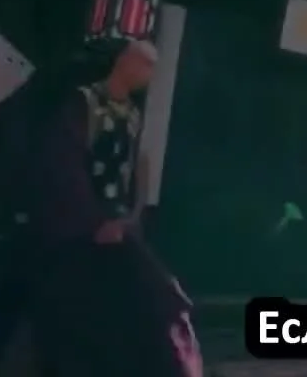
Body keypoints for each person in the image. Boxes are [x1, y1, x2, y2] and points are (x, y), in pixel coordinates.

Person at [26, 38, 203, 376]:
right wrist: (93, 220)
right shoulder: (84, 103)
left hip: (117, 224)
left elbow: (135, 169)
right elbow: (64, 166)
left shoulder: (132, 115)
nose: (149, 74)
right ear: (124, 61)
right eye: (145, 64)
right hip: (78, 228)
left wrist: (131, 215)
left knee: (151, 298)